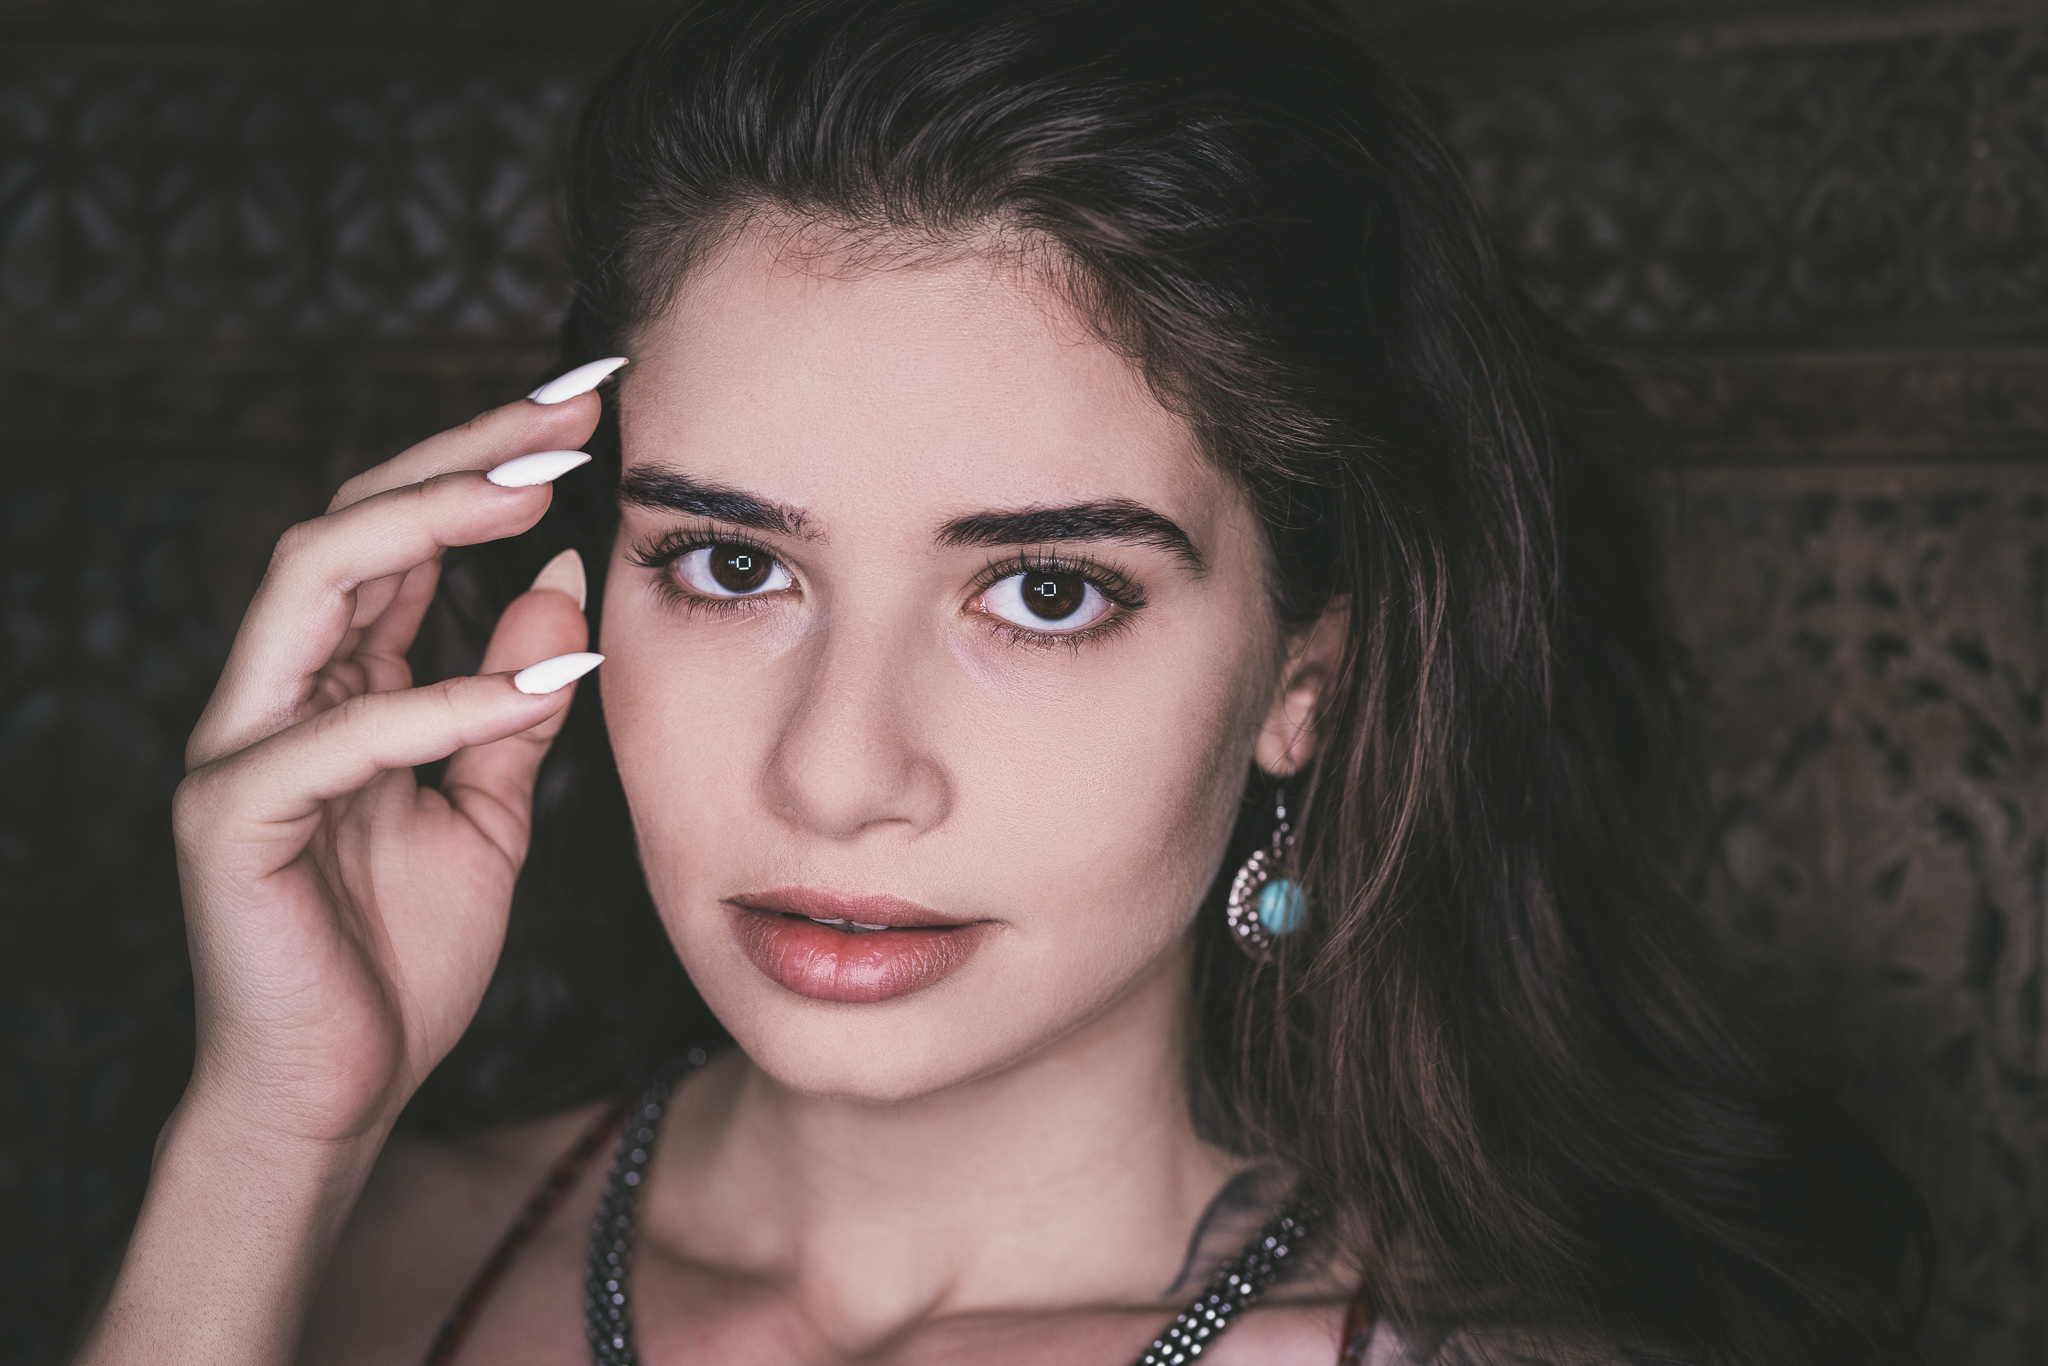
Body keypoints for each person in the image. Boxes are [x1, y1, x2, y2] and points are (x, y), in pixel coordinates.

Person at [73, 1, 1932, 1362]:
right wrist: (270, 1136)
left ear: (1306, 676)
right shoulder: (334, 1264)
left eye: (1043, 590)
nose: (838, 772)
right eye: (731, 565)